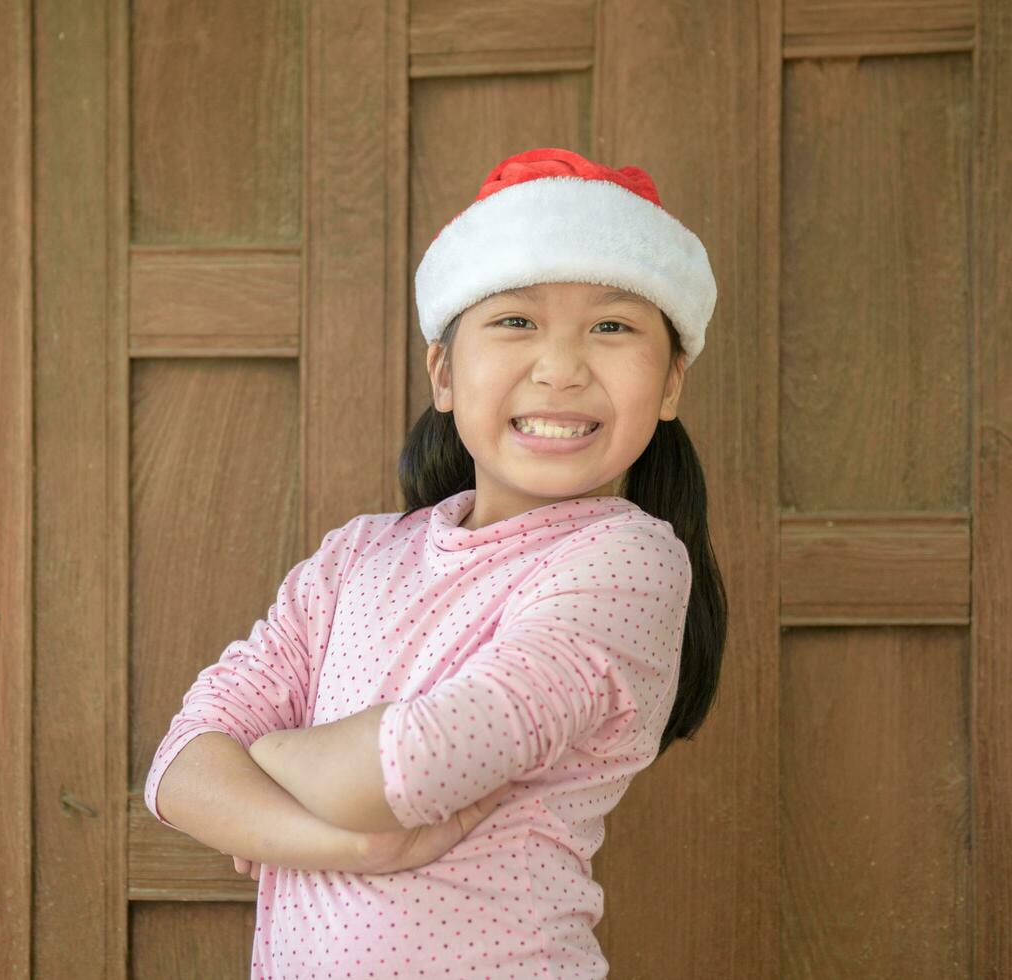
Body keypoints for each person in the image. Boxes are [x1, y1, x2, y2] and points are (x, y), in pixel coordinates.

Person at [142, 147, 729, 978]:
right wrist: (345, 843)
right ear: (445, 372)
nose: (560, 368)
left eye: (612, 326)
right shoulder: (356, 556)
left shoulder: (626, 559)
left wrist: (268, 757)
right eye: (516, 321)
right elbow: (178, 768)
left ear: (670, 384)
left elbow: (414, 767)